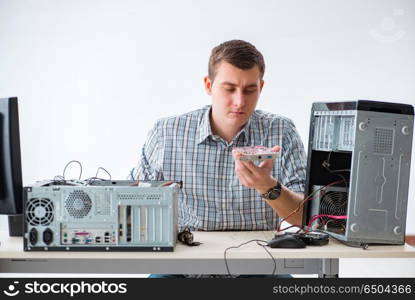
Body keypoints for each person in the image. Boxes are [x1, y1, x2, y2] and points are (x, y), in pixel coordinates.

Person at [131, 40, 307, 277]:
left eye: (249, 90)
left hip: (259, 266)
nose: (239, 101)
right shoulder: (167, 132)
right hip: (183, 266)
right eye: (229, 88)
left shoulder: (281, 131)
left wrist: (268, 187)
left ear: (261, 87)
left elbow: (305, 217)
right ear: (208, 85)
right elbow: (132, 204)